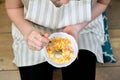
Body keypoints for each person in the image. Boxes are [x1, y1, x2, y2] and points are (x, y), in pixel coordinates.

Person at [5, 0, 111, 80]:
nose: (64, 2)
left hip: (82, 24)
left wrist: (77, 27)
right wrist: (28, 32)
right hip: (32, 26)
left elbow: (102, 2)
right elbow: (13, 8)